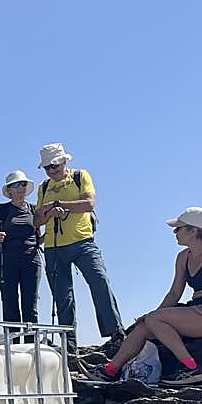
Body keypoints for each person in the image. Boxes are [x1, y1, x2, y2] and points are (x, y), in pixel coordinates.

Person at [93, 207, 202, 386]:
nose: (175, 232)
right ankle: (110, 371)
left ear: (193, 231)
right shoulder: (183, 257)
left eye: (179, 228)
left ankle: (192, 369)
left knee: (153, 320)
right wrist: (152, 316)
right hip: (196, 309)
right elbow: (175, 293)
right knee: (144, 327)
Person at [33, 142, 124, 358]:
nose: (52, 170)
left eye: (55, 165)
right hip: (54, 247)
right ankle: (69, 344)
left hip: (83, 242)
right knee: (62, 296)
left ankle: (116, 334)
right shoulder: (43, 187)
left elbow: (89, 204)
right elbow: (37, 219)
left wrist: (59, 205)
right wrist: (48, 211)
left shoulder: (80, 176)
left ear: (64, 161)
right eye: (48, 167)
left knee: (99, 282)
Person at [0, 169, 42, 327]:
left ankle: (32, 347)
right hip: (7, 263)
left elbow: (39, 239)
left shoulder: (33, 210)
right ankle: (12, 347)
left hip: (31, 262)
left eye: (23, 184)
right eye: (16, 185)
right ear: (9, 189)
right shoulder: (0, 211)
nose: (20, 188)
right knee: (10, 306)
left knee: (30, 307)